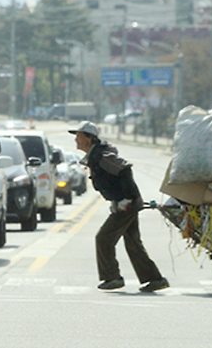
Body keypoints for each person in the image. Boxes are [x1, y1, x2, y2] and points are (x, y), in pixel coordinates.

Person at [69, 121, 169, 293]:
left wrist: (127, 199)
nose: (76, 140)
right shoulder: (95, 156)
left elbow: (124, 170)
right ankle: (155, 279)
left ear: (89, 138)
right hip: (125, 203)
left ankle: (112, 278)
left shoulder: (102, 156)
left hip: (127, 204)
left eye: (78, 136)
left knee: (103, 238)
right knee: (133, 243)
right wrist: (118, 201)